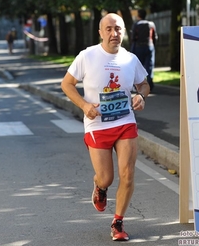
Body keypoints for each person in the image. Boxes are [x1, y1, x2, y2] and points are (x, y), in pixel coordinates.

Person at [61, 13, 150, 241]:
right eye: (108, 29)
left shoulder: (130, 59)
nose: (114, 34)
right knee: (107, 178)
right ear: (100, 32)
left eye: (118, 29)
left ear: (124, 32)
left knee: (128, 175)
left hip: (125, 122)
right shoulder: (88, 56)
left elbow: (143, 83)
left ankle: (117, 222)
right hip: (97, 124)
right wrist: (84, 104)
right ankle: (99, 187)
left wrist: (140, 95)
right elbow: (67, 84)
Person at [131, 9, 158, 91]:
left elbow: (133, 38)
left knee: (138, 67)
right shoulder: (151, 24)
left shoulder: (136, 25)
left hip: (139, 47)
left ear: (138, 15)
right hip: (149, 46)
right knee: (149, 66)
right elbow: (154, 37)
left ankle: (138, 85)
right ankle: (149, 84)